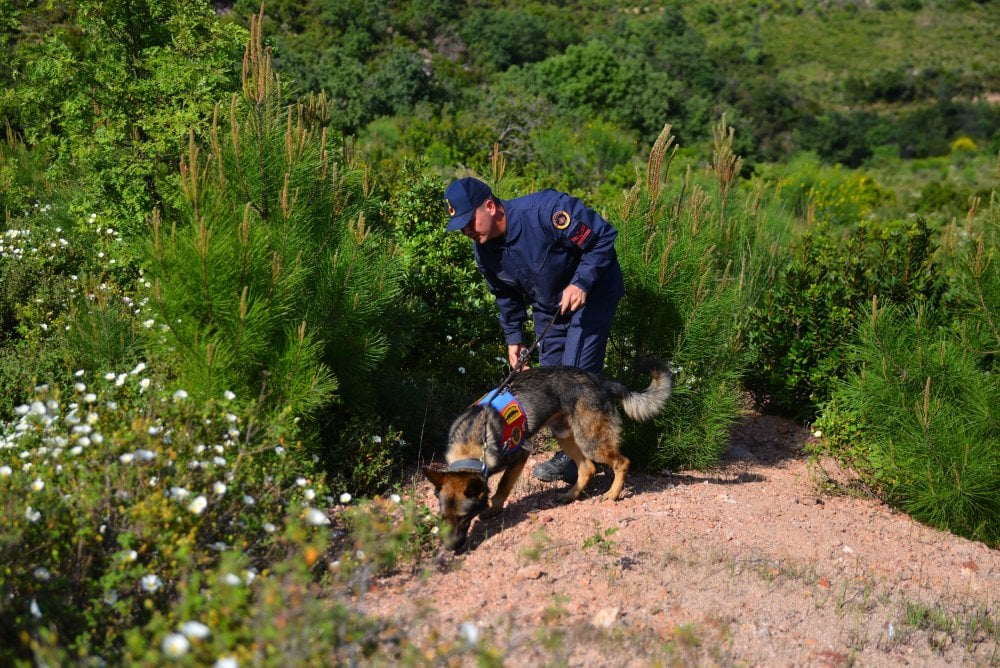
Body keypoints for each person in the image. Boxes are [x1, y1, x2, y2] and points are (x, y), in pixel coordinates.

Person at [444, 176, 625, 484]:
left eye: (469, 221)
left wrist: (581, 282)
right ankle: (577, 455)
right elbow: (505, 295)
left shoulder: (546, 212)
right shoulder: (484, 249)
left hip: (593, 295)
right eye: (460, 226)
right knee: (550, 381)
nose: (466, 231)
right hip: (550, 305)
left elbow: (603, 237)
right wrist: (514, 338)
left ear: (490, 206)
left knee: (574, 376)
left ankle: (585, 459)